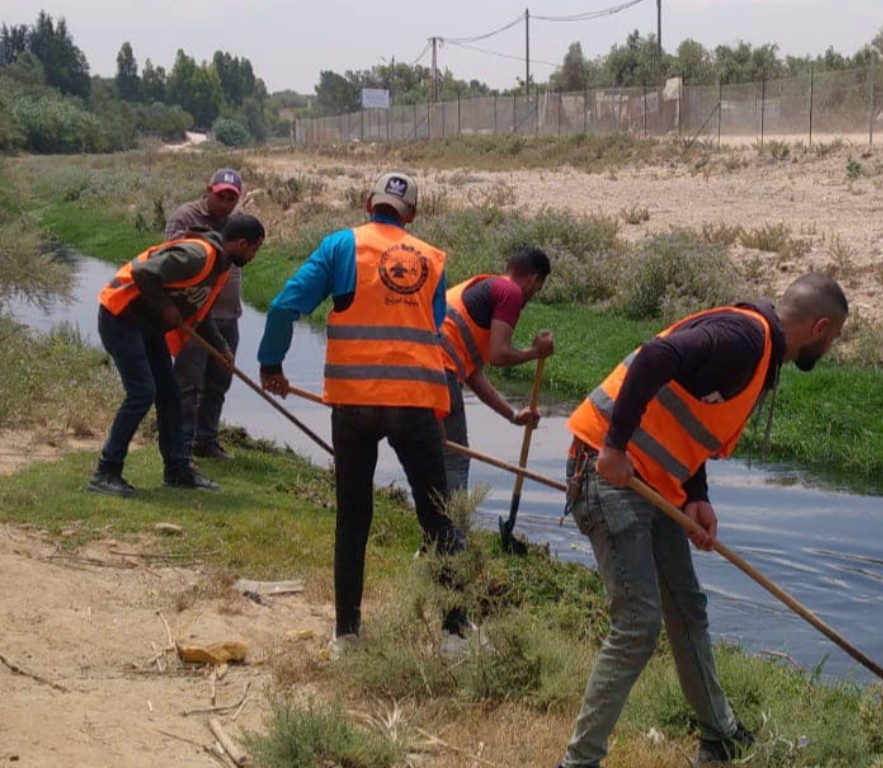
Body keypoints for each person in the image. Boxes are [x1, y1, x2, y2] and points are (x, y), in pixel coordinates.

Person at [557, 273, 849, 768]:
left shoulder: (757, 348)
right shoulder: (745, 338)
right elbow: (654, 357)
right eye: (835, 337)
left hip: (654, 485)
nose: (831, 346)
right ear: (820, 327)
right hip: (608, 475)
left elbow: (689, 412)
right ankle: (579, 762)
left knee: (687, 607)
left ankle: (720, 736)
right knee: (637, 625)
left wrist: (696, 496)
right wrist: (613, 447)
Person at [256, 170, 473, 659]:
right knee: (438, 518)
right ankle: (456, 634)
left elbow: (283, 306)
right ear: (412, 215)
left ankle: (347, 636)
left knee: (353, 518)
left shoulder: (340, 247)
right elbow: (433, 325)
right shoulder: (433, 260)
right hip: (414, 403)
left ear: (365, 203)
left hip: (353, 403)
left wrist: (272, 364)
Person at [86, 214, 266, 498]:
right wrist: (165, 306)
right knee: (142, 392)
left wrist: (221, 349)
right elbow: (143, 274)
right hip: (120, 316)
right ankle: (106, 472)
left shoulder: (220, 268)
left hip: (146, 324)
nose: (253, 256)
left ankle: (178, 470)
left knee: (169, 392)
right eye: (254, 249)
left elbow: (199, 312)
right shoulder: (197, 254)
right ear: (242, 243)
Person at [439, 246, 555, 493]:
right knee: (454, 458)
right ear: (533, 280)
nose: (532, 295)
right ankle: (451, 527)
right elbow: (498, 355)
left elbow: (473, 375)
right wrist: (535, 352)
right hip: (438, 372)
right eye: (537, 289)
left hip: (418, 366)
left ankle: (436, 521)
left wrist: (512, 416)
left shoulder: (484, 288)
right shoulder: (510, 292)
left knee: (433, 450)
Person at [166, 168, 245, 460]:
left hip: (229, 314)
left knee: (219, 381)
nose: (225, 203)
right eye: (220, 196)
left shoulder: (237, 223)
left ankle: (206, 440)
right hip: (194, 316)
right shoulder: (185, 218)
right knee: (189, 383)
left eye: (231, 198)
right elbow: (171, 263)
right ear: (208, 191)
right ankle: (181, 443)